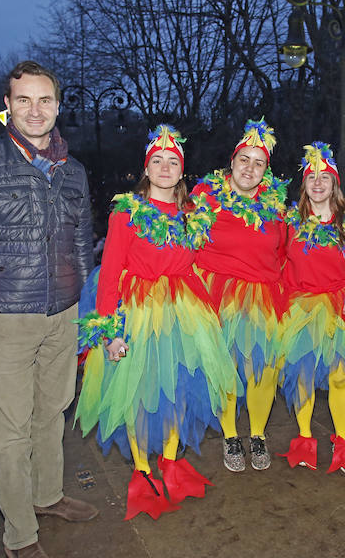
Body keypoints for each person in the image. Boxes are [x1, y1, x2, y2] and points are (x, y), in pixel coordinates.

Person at [0, 60, 97, 557]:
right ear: (7, 106)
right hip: (4, 320)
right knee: (10, 433)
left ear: (57, 105)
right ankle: (20, 535)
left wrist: (84, 310)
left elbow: (81, 245)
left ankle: (47, 496)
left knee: (52, 413)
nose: (35, 110)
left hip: (63, 316)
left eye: (45, 100)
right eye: (24, 100)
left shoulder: (74, 173)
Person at [76, 124, 239, 519]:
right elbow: (111, 271)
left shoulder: (192, 215)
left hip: (184, 311)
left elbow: (204, 261)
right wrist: (110, 333)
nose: (165, 168)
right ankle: (143, 471)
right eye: (157, 161)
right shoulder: (126, 213)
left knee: (178, 389)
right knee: (138, 394)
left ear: (182, 172)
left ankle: (170, 461)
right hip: (139, 310)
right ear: (146, 169)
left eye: (172, 162)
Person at [276, 142, 345, 475]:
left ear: (335, 184)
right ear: (304, 184)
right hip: (301, 308)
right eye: (311, 177)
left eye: (326, 178)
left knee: (339, 378)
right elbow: (273, 262)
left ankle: (343, 442)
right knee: (303, 378)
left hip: (340, 310)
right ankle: (305, 440)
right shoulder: (289, 222)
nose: (318, 183)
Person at [190, 118, 288, 472]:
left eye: (258, 162)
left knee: (262, 369)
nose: (250, 168)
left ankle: (258, 434)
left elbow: (285, 252)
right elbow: (183, 240)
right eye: (244, 159)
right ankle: (231, 435)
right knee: (227, 367)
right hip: (219, 293)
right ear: (231, 161)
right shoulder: (205, 196)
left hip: (263, 294)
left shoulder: (276, 205)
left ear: (266, 170)